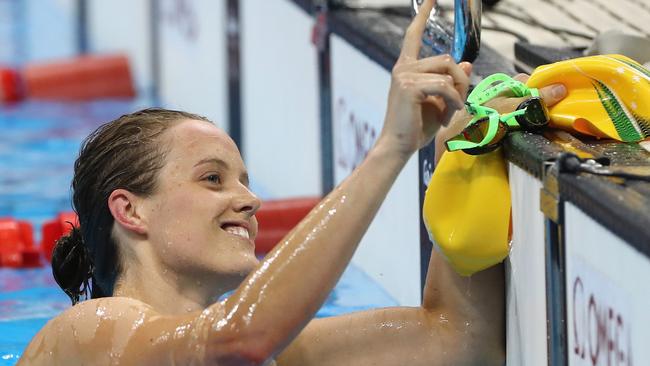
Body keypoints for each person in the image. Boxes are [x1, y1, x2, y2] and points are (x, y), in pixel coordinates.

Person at [19, 0, 566, 364]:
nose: (250, 200)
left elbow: (457, 339)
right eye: (213, 179)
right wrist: (390, 149)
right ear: (130, 210)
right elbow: (237, 338)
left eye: (244, 181)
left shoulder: (273, 351)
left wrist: (464, 152)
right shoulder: (87, 336)